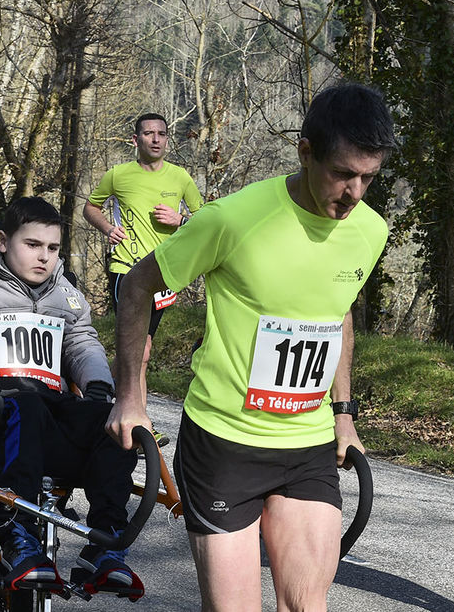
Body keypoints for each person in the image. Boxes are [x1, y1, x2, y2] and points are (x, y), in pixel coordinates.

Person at [106, 83, 395, 612]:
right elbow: (138, 286)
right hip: (224, 443)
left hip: (306, 445)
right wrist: (131, 396)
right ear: (306, 152)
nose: (355, 193)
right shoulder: (234, 219)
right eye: (342, 173)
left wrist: (344, 413)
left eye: (368, 178)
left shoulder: (370, 231)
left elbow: (338, 311)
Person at [0, 197, 142, 596]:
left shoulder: (65, 289)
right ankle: (15, 532)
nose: (45, 257)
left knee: (116, 420)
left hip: (44, 411)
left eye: (53, 248)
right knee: (25, 404)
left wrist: (97, 387)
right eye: (33, 245)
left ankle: (105, 544)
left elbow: (81, 340)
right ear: (4, 241)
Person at [82, 113, 203, 427]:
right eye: (149, 133)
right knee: (143, 350)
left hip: (164, 272)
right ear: (135, 140)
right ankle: (139, 422)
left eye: (161, 134)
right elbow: (90, 207)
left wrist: (181, 221)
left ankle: (95, 389)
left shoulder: (180, 178)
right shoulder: (118, 175)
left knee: (133, 352)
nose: (156, 139)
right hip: (126, 268)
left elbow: (207, 221)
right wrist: (108, 228)